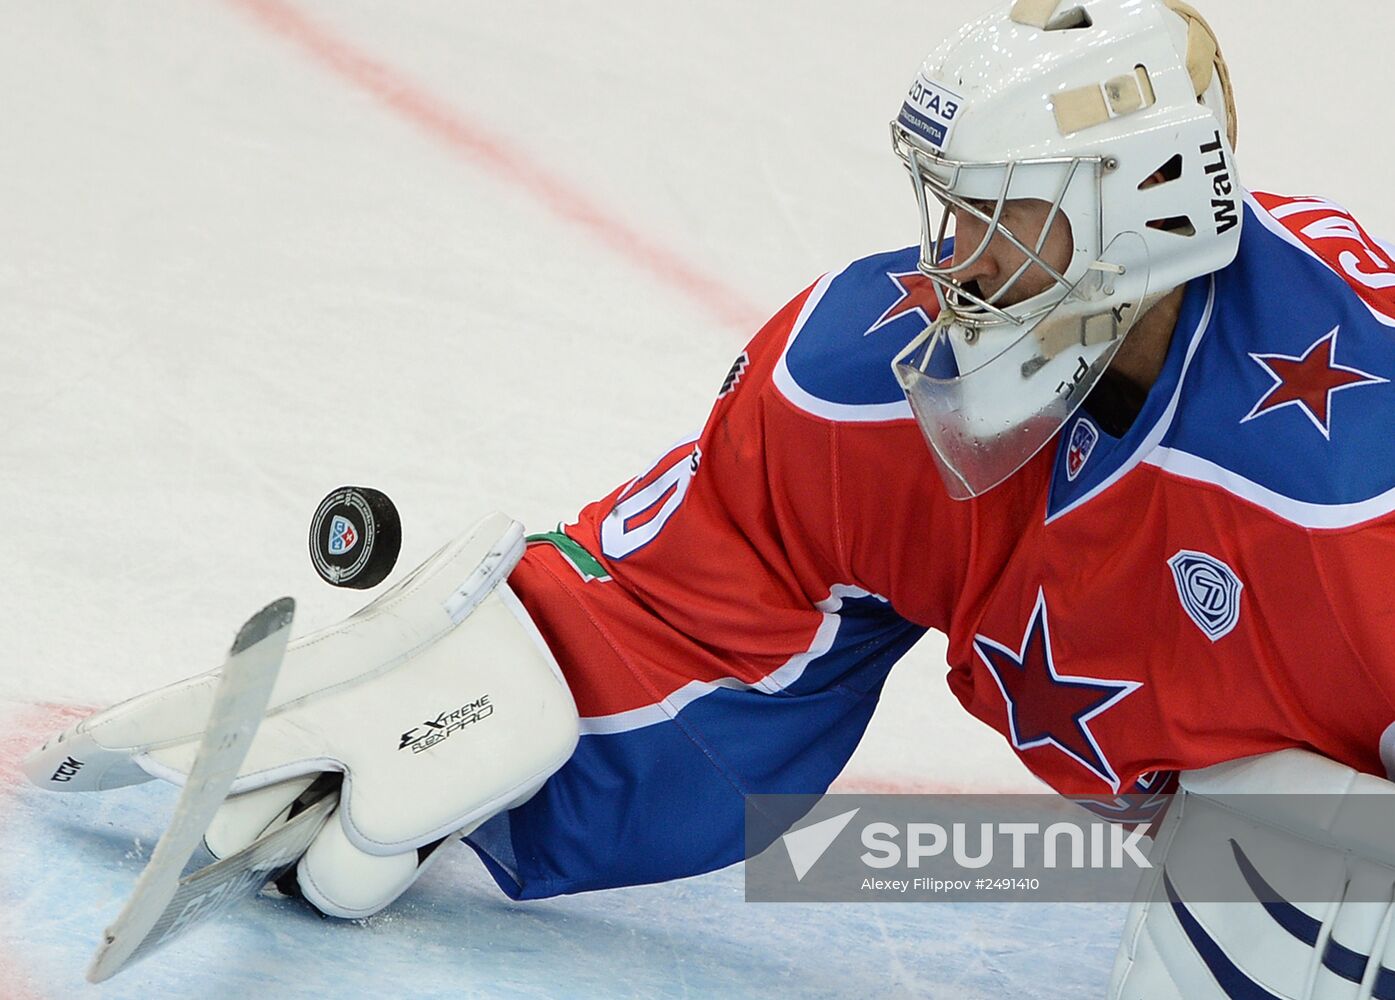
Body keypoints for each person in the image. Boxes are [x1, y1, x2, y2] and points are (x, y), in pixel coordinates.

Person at [25, 0, 1395, 994]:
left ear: (1146, 204)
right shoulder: (873, 383)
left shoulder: (1351, 484)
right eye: (952, 206)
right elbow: (698, 624)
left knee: (1292, 866)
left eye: (1006, 213)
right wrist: (500, 707)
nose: (956, 254)